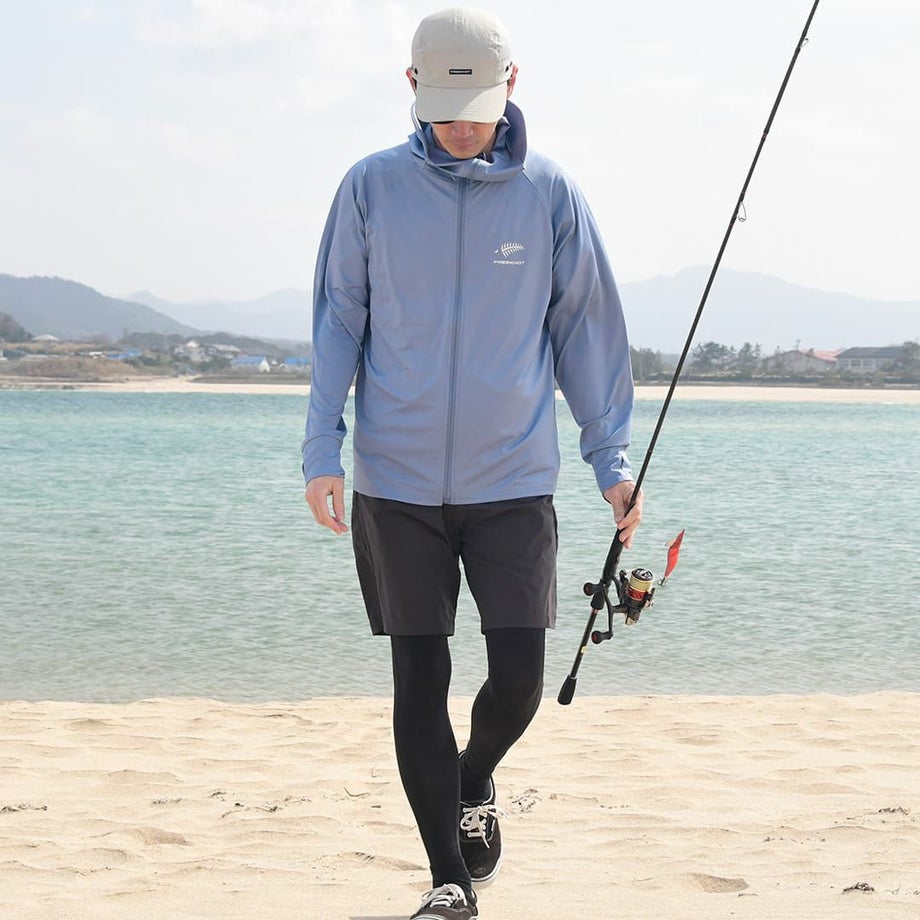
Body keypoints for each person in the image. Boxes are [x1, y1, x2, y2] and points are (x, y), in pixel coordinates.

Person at [302, 7, 642, 919]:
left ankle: (474, 774)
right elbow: (338, 321)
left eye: (479, 109)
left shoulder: (551, 195)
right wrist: (321, 448)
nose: (462, 127)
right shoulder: (370, 187)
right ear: (412, 86)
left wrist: (610, 460)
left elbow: (585, 332)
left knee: (521, 677)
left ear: (512, 86)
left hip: (514, 480)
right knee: (420, 678)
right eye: (446, 108)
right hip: (395, 482)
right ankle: (449, 881)